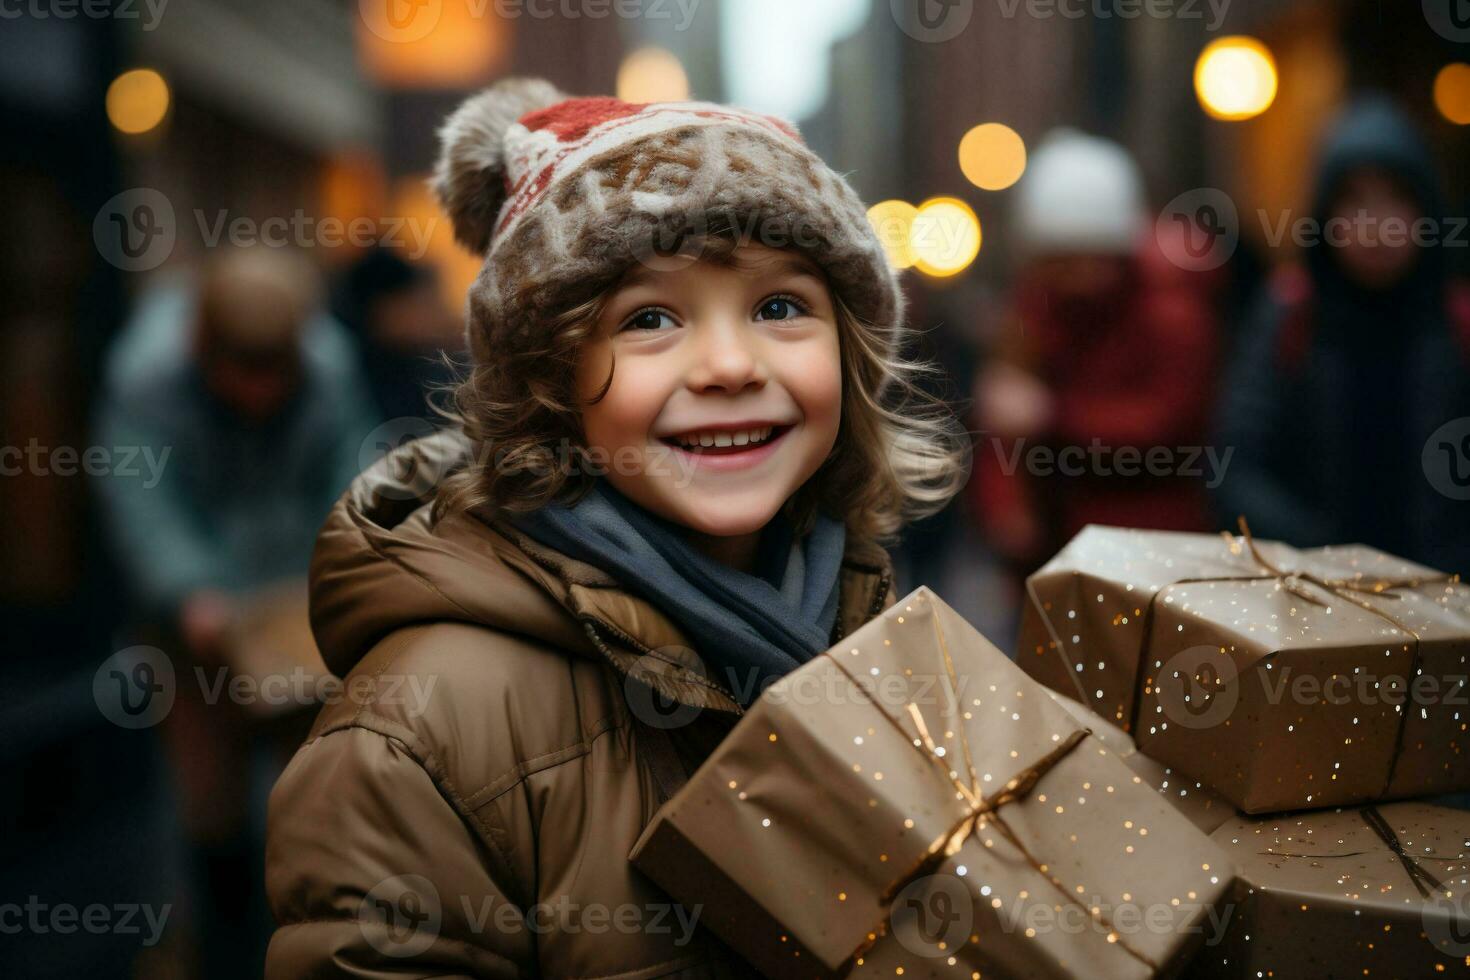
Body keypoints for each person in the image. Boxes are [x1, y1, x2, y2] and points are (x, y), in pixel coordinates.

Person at [263, 77, 969, 976]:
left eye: (780, 307)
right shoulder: (413, 743)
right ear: (549, 383)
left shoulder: (870, 627)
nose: (726, 364)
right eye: (650, 318)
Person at [94, 245, 378, 980]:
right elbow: (138, 492)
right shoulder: (145, 374)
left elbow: (350, 468)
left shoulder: (328, 363)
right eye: (245, 374)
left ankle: (315, 943)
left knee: (315, 790)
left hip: (297, 613)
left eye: (274, 373)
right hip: (198, 623)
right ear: (202, 349)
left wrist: (337, 570)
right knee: (203, 801)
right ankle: (203, 947)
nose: (263, 392)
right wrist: (186, 587)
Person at [1215, 96, 1470, 574]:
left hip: (1449, 603)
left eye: (1394, 199)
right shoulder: (1290, 315)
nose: (1375, 225)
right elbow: (1236, 467)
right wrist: (1326, 558)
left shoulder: (1457, 323)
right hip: (1313, 597)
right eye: (1354, 201)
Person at [971, 130, 1218, 576]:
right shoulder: (1037, 309)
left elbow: (1168, 422)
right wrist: (1005, 506)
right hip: (1059, 546)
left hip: (1153, 545)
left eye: (1088, 259)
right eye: (1061, 261)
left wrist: (1053, 416)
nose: (1077, 277)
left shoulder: (1170, 310)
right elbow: (1005, 418)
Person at [330, 246, 462, 424]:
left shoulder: (417, 362)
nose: (425, 314)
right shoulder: (346, 373)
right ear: (381, 309)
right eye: (414, 302)